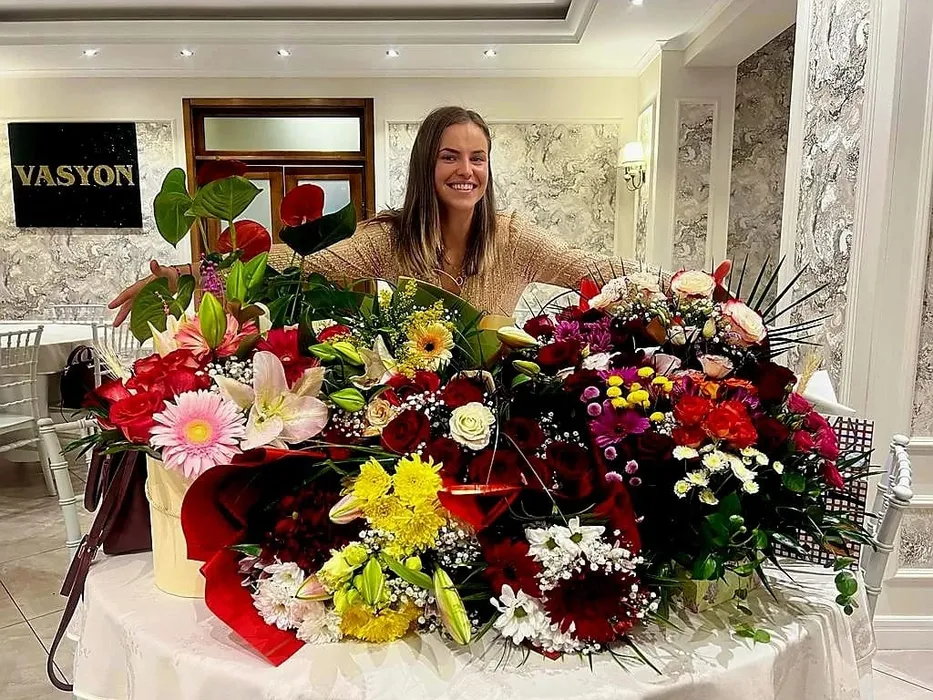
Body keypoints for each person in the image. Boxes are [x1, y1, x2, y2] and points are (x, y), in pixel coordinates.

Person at [110, 106, 635, 324]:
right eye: (449, 156)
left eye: (477, 158)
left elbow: (593, 271)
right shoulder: (392, 238)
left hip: (499, 413)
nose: (466, 170)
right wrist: (187, 273)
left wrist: (676, 289)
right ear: (427, 165)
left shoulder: (514, 238)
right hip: (414, 407)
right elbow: (298, 264)